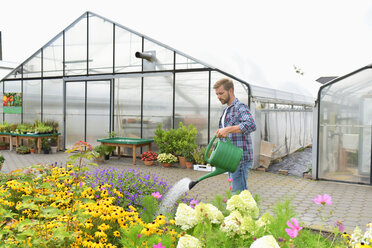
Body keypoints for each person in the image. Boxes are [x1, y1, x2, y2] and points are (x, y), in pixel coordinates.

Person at [213, 78, 256, 193]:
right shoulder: (226, 110)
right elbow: (228, 134)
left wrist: (228, 129)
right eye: (217, 94)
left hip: (240, 159)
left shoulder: (239, 107)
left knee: (239, 194)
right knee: (236, 194)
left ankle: (246, 211)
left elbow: (251, 125)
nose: (219, 97)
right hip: (231, 159)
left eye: (221, 93)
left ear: (230, 91)